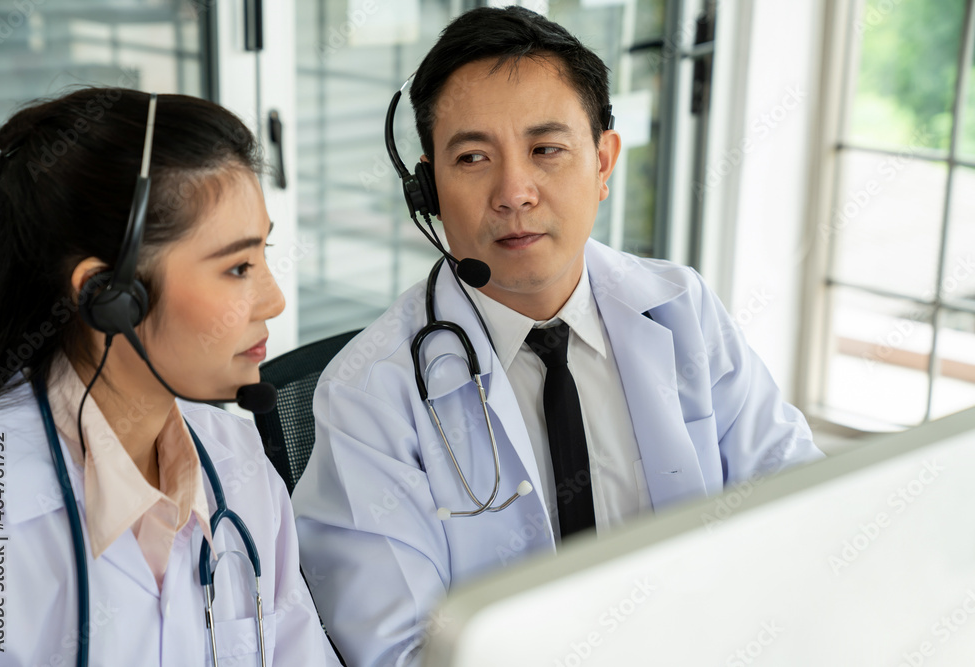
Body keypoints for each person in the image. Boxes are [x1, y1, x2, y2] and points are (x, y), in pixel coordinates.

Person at [293, 6, 824, 666]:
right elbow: (402, 654)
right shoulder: (370, 394)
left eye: (547, 150)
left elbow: (802, 510)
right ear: (428, 187)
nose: (514, 191)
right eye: (474, 157)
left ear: (603, 162)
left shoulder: (683, 313)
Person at [0, 88, 340, 666]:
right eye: (238, 267)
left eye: (264, 254)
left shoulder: (236, 461)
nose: (273, 300)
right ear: (109, 295)